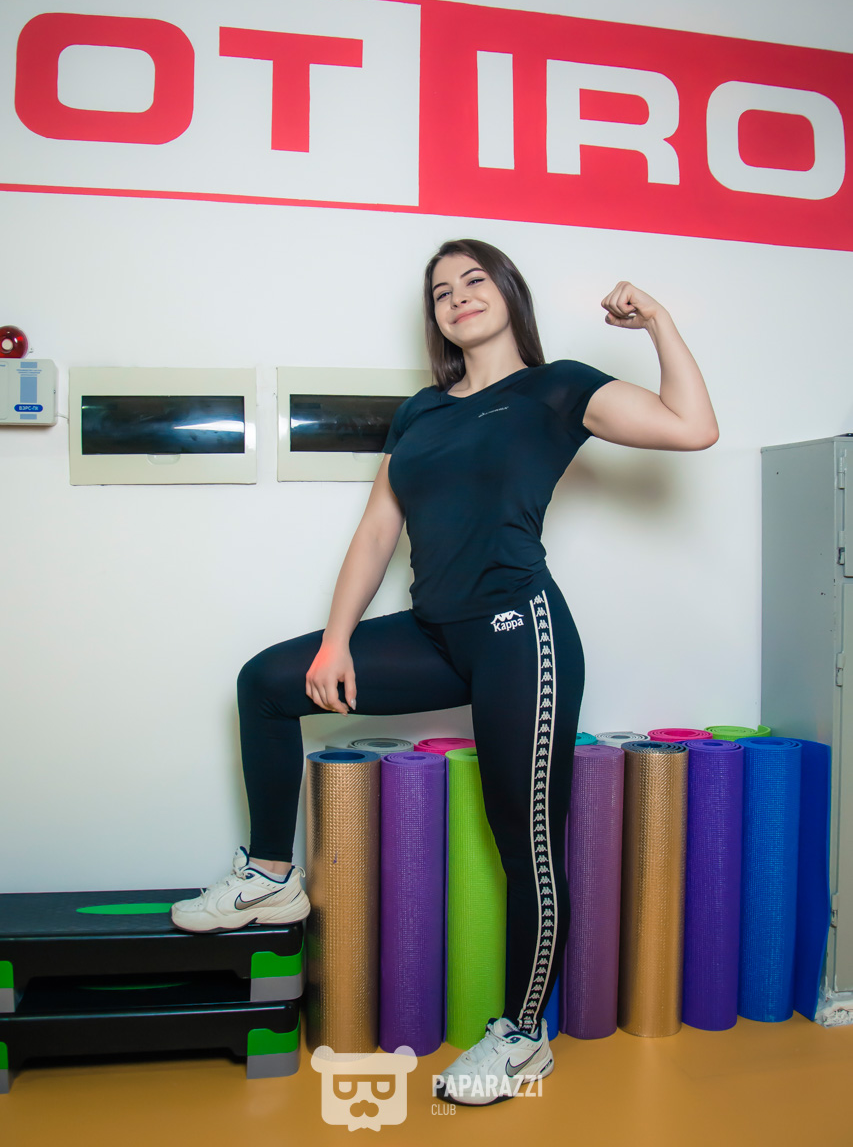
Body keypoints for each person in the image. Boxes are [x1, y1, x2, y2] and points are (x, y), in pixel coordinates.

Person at [171, 238, 718, 1105]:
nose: (457, 296)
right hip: (433, 630)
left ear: (508, 293)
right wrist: (336, 640)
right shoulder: (420, 412)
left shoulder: (557, 387)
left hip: (518, 630)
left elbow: (692, 428)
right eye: (440, 291)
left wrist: (656, 321)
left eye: (473, 280)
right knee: (266, 683)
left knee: (524, 838)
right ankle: (271, 877)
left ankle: (520, 1037)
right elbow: (377, 530)